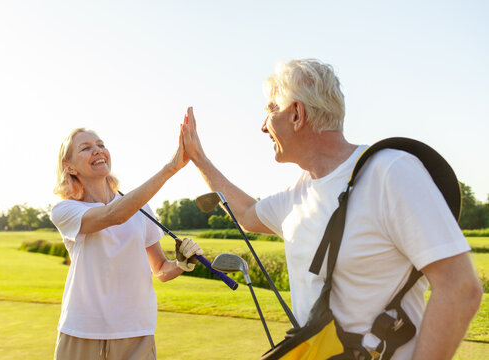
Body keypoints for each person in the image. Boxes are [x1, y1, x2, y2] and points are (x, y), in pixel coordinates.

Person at [181, 59, 482, 359]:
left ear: (297, 114)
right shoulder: (297, 193)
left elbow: (460, 289)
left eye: (271, 109)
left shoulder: (391, 172)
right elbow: (246, 213)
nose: (263, 126)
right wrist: (200, 160)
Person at [50, 127, 202, 360]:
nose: (98, 151)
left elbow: (160, 269)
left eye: (100, 145)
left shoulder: (142, 209)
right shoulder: (66, 210)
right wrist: (171, 167)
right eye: (86, 148)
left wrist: (181, 264)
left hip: (136, 332)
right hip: (82, 332)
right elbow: (113, 215)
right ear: (69, 166)